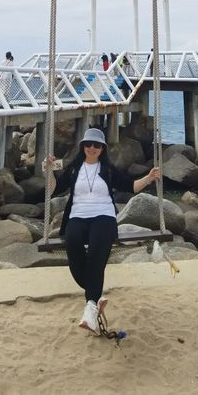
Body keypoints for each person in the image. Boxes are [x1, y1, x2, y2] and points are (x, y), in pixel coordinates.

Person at [44, 127, 161, 335]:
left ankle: (90, 307)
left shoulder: (107, 169)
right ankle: (96, 297)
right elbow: (53, 189)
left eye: (96, 145)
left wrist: (149, 178)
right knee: (73, 246)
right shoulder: (74, 169)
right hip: (77, 215)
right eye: (88, 144)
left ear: (102, 148)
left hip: (104, 216)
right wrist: (49, 171)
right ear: (83, 147)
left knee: (97, 252)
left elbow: (131, 186)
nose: (92, 148)